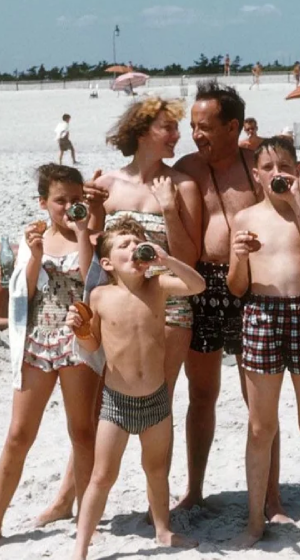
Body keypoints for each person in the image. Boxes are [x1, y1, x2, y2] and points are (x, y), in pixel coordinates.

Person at [35, 95, 203, 526]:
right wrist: (90, 210)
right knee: (102, 407)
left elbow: (191, 255)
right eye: (168, 128)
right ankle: (67, 497)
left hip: (169, 306)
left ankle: (157, 510)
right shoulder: (106, 184)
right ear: (144, 130)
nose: (176, 136)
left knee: (156, 406)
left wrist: (169, 210)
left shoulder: (181, 186)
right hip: (115, 308)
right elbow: (89, 247)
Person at [172, 79, 288, 521]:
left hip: (249, 284)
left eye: (204, 126)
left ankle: (272, 498)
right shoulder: (186, 167)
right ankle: (194, 490)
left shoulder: (255, 167)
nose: (196, 134)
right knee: (201, 394)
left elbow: (296, 201)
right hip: (202, 285)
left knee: (258, 400)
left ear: (233, 126)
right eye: (192, 125)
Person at [226, 137, 300, 553]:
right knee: (261, 427)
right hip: (260, 313)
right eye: (268, 166)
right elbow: (236, 287)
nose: (276, 172)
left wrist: (298, 203)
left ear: (297, 171)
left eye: (284, 165)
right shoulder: (244, 217)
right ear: (256, 174)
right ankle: (255, 519)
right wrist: (238, 257)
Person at [0, 164, 102, 555]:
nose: (68, 208)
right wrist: (34, 256)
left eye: (75, 200)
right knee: (18, 434)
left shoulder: (92, 237)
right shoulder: (33, 239)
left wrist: (83, 233)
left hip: (78, 343)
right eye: (60, 201)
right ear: (43, 202)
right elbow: (23, 295)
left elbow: (90, 278)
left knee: (82, 433)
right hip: (37, 342)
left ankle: (83, 520)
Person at [69, 217, 204, 560]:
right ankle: (80, 548)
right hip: (116, 403)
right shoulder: (99, 295)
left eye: (136, 242)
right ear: (108, 263)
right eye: (123, 245)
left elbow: (197, 285)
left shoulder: (158, 285)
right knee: (102, 476)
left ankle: (163, 530)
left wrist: (166, 259)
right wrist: (80, 330)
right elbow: (92, 345)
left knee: (156, 470)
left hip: (156, 400)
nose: (132, 247)